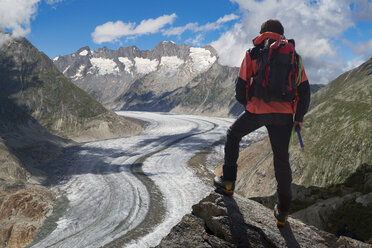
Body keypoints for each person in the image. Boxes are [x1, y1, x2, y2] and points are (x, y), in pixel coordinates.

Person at [214, 19, 311, 227]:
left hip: (257, 111)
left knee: (233, 134)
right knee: (281, 160)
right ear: (281, 34)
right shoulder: (295, 57)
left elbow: (240, 88)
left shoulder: (253, 53)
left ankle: (228, 183)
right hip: (284, 116)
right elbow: (304, 91)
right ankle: (283, 211)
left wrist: (251, 104)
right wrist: (298, 119)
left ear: (263, 33)